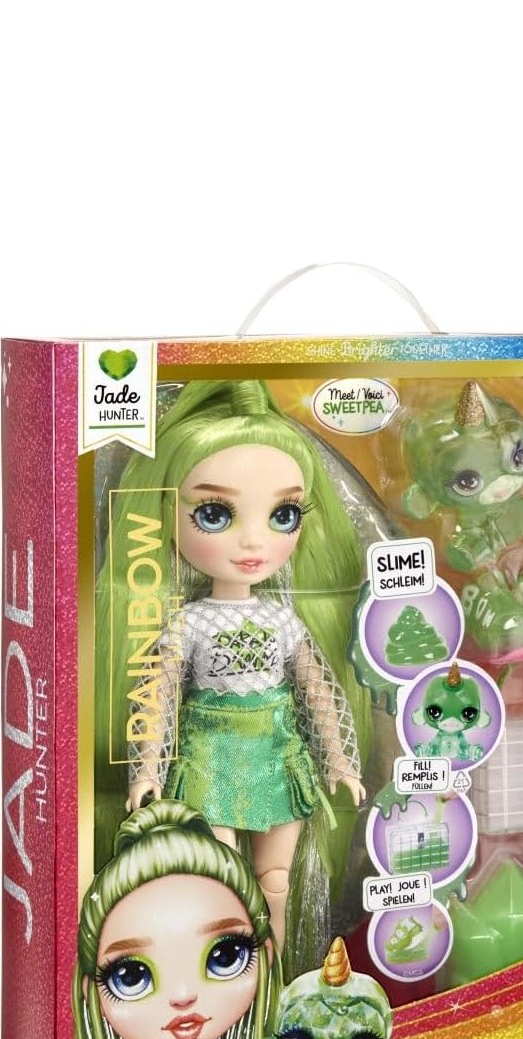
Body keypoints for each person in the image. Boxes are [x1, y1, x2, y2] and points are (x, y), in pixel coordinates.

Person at [96, 379, 370, 955]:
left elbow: (317, 689)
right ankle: (233, 969)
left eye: (283, 514)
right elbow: (157, 695)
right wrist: (147, 769)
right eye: (215, 513)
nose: (253, 541)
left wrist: (340, 758)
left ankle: (274, 967)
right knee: (223, 881)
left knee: (276, 882)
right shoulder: (189, 623)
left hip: (276, 754)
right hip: (210, 760)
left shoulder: (283, 621)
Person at [60, 799, 282, 1039]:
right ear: (90, 990)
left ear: (265, 954)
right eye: (132, 976)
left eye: (224, 957)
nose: (182, 995)